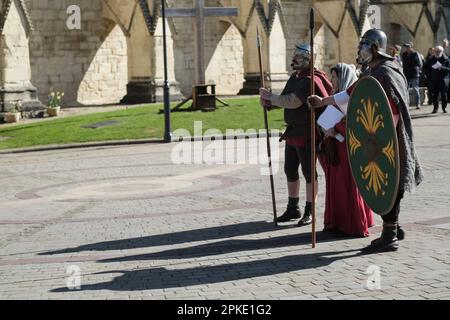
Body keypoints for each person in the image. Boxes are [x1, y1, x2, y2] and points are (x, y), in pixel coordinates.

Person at [308, 29, 424, 252]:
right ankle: (394, 227)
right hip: (380, 140)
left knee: (387, 184)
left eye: (362, 46)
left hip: (388, 139)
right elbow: (350, 95)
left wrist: (378, 140)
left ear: (373, 48)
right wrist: (323, 101)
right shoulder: (373, 72)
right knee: (386, 184)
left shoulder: (386, 73)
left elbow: (390, 110)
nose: (358, 51)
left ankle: (389, 236)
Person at [259, 43, 333, 226]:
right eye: (295, 56)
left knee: (308, 172)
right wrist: (269, 102)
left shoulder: (311, 79)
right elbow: (284, 97)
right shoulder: (296, 77)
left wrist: (271, 98)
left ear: (309, 59)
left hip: (308, 132)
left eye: (299, 57)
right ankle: (293, 208)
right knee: (290, 169)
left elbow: (294, 101)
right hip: (293, 131)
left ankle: (310, 210)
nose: (294, 60)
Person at [319, 63, 374, 237]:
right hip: (335, 148)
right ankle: (338, 221)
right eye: (332, 77)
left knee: (349, 185)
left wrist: (335, 130)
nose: (332, 81)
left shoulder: (353, 98)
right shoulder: (336, 97)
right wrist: (327, 129)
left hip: (347, 149)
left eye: (335, 77)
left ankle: (352, 223)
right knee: (337, 185)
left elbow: (356, 124)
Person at [424, 45, 450, 113]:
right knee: (434, 95)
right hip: (434, 79)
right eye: (436, 51)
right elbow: (425, 68)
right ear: (434, 51)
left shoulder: (446, 59)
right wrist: (429, 76)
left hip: (443, 80)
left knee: (444, 95)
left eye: (439, 51)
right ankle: (435, 108)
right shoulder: (430, 59)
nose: (437, 52)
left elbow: (449, 69)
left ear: (442, 51)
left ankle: (444, 108)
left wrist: (441, 67)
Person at [402, 42, 423, 109]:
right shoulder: (404, 54)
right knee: (405, 90)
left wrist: (419, 70)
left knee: (416, 90)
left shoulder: (415, 53)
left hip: (414, 74)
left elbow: (420, 63)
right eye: (406, 47)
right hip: (406, 74)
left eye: (408, 46)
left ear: (411, 47)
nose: (407, 48)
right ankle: (406, 104)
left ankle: (418, 104)